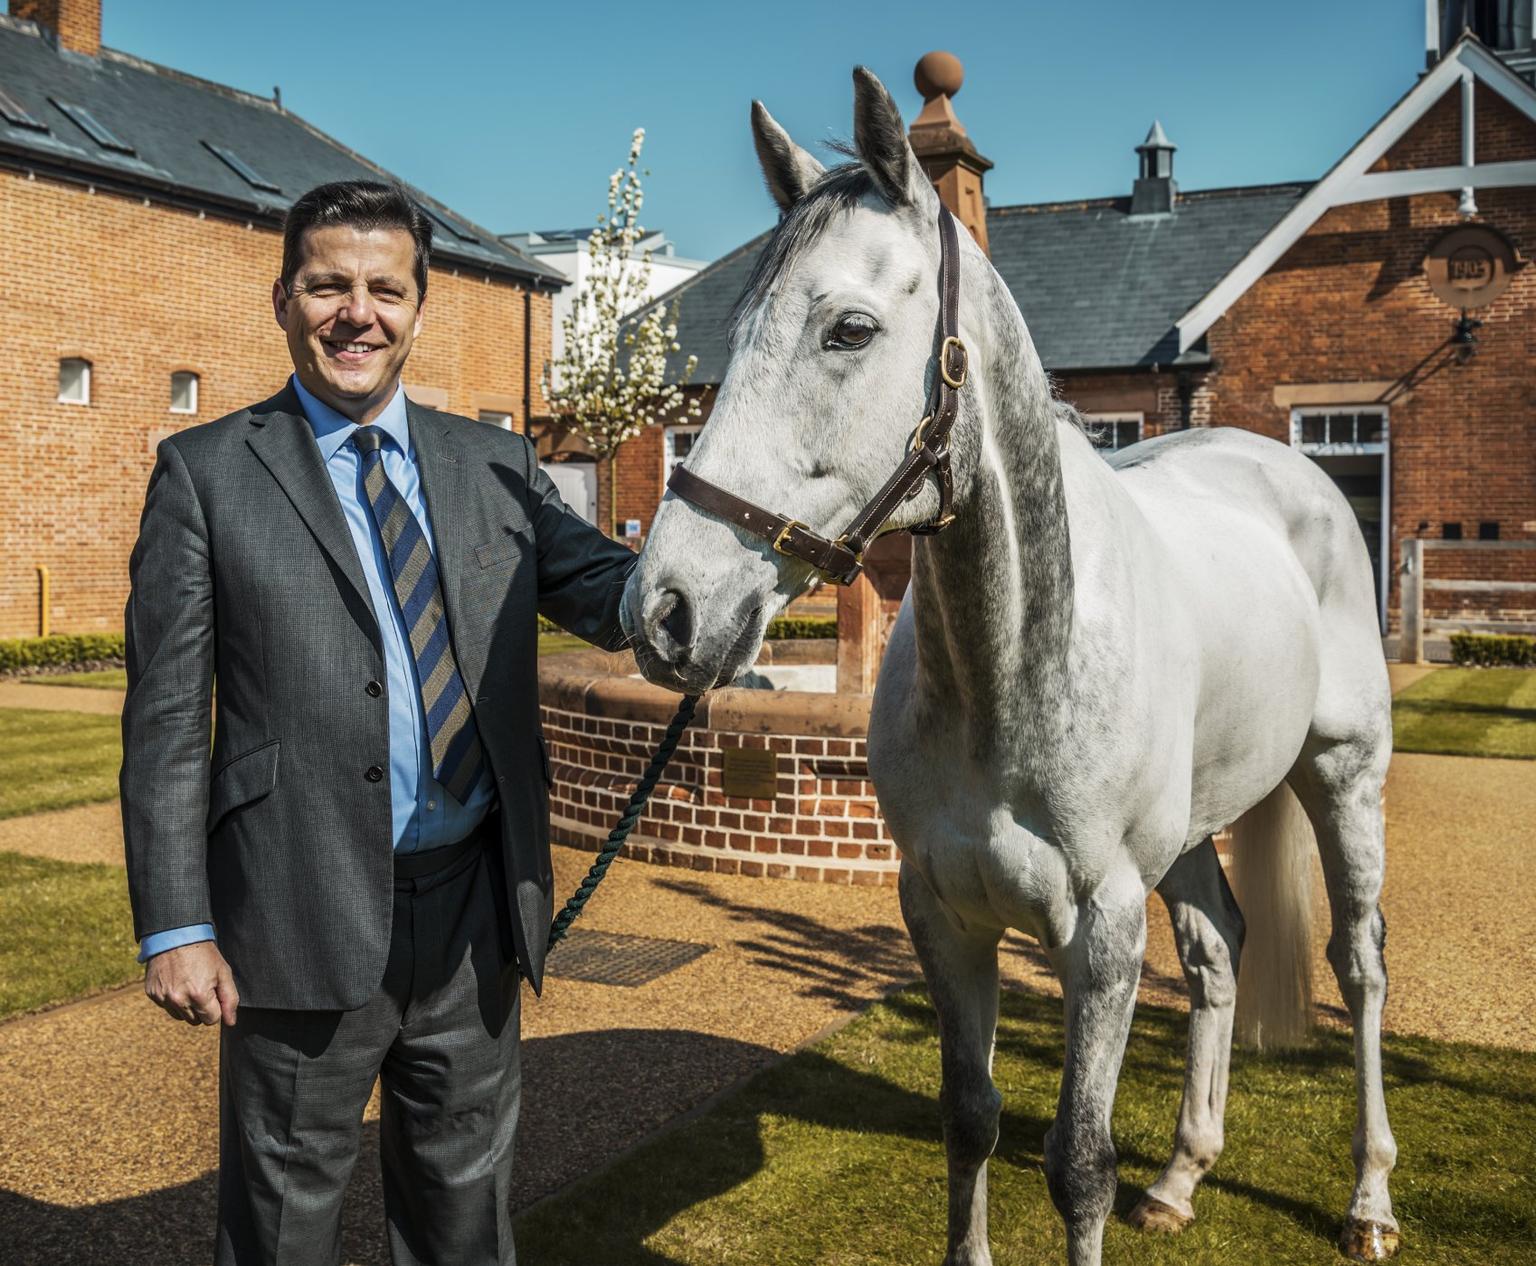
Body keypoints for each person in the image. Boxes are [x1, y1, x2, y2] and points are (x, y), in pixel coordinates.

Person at [120, 179, 636, 1265]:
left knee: (464, 1219)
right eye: (329, 286)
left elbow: (612, 592)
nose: (358, 312)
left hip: (474, 918)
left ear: (419, 305)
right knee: (280, 1229)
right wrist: (177, 924)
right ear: (283, 300)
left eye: (384, 289)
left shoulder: (494, 465)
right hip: (294, 912)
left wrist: (722, 573)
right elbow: (166, 718)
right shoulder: (206, 475)